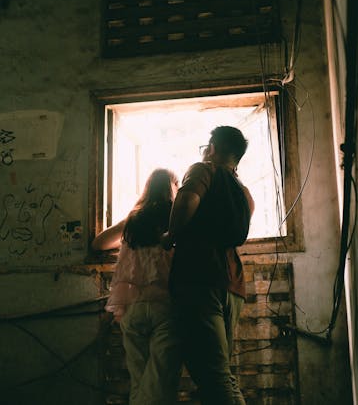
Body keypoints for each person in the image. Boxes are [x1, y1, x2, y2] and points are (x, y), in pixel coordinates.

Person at [165, 126, 255, 405]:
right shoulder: (244, 193)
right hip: (233, 285)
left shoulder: (203, 170)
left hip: (200, 278)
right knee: (218, 372)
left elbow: (186, 203)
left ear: (213, 148)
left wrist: (170, 235)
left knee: (213, 374)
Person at [92, 168, 182, 405]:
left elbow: (99, 243)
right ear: (173, 187)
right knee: (160, 381)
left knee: (139, 378)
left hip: (134, 311)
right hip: (166, 308)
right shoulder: (176, 220)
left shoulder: (134, 219)